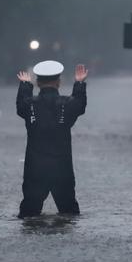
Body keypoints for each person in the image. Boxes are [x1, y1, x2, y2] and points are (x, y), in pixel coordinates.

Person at [16, 61, 88, 218]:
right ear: (59, 82)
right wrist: (79, 83)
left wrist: (25, 85)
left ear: (38, 83)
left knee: (28, 214)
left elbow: (21, 105)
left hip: (35, 168)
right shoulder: (66, 104)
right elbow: (80, 104)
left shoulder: (29, 105)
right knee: (69, 213)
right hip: (62, 167)